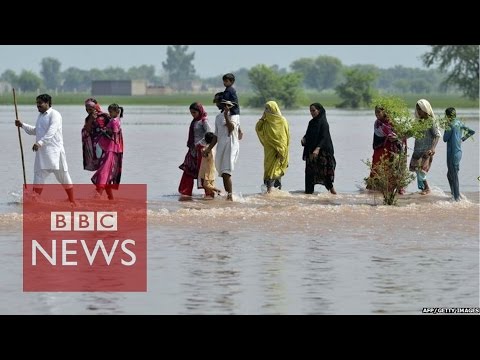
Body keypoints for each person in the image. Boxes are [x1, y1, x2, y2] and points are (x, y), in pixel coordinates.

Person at [15, 94, 76, 205]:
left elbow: (51, 132)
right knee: (38, 176)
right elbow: (36, 131)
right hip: (42, 153)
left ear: (47, 103)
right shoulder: (41, 116)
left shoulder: (55, 115)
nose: (38, 106)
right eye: (37, 103)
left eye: (40, 103)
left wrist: (40, 143)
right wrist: (22, 125)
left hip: (55, 152)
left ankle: (72, 200)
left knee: (63, 176)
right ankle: (34, 202)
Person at [203, 93, 240, 201]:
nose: (217, 105)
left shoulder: (234, 116)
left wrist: (226, 116)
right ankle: (229, 196)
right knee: (222, 172)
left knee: (226, 172)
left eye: (218, 102)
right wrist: (208, 149)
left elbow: (231, 128)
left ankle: (230, 196)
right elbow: (216, 135)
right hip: (221, 146)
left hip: (231, 145)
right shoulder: (218, 117)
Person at [367, 105, 406, 193]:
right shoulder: (377, 123)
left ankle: (393, 188)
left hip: (390, 149)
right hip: (379, 148)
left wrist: (395, 137)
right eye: (375, 112)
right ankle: (375, 187)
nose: (377, 114)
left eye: (379, 112)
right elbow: (378, 134)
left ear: (384, 112)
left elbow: (399, 134)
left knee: (391, 167)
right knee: (377, 166)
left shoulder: (392, 122)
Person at [91, 103, 124, 200]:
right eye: (109, 112)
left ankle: (98, 195)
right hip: (112, 148)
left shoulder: (114, 121)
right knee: (107, 171)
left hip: (111, 149)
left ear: (117, 112)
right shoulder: (117, 120)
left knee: (104, 171)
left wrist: (105, 132)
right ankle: (110, 197)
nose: (109, 114)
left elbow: (114, 133)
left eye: (111, 112)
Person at [301, 103, 336, 195]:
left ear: (319, 111)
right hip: (311, 151)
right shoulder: (311, 122)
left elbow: (324, 137)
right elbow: (308, 134)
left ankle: (333, 192)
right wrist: (304, 139)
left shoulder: (323, 123)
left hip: (322, 152)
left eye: (313, 110)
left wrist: (317, 149)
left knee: (324, 173)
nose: (312, 113)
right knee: (309, 173)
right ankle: (308, 193)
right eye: (310, 111)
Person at [255, 101, 290, 193]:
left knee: (275, 171)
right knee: (268, 169)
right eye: (265, 109)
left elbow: (284, 138)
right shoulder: (266, 122)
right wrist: (262, 118)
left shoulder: (282, 121)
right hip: (268, 151)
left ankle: (271, 192)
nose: (266, 111)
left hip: (278, 151)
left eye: (268, 109)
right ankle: (271, 194)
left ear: (274, 109)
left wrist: (281, 151)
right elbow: (257, 128)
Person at [178, 102, 212, 197]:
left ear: (199, 111)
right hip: (192, 151)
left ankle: (209, 193)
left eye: (194, 112)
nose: (192, 115)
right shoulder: (195, 121)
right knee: (188, 170)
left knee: (203, 173)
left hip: (201, 151)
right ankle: (185, 193)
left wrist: (200, 144)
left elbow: (210, 134)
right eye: (191, 113)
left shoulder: (204, 121)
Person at [442, 107, 475, 201]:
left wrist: (446, 127)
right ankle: (454, 194)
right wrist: (462, 139)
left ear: (447, 116)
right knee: (449, 175)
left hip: (452, 154)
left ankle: (457, 199)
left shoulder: (450, 125)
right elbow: (472, 132)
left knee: (454, 176)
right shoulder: (459, 123)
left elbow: (445, 139)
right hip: (458, 153)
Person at [409, 99, 441, 195]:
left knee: (422, 171)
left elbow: (437, 135)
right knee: (418, 171)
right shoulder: (418, 122)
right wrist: (399, 135)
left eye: (420, 109)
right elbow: (410, 132)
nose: (419, 111)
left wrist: (433, 148)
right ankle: (424, 189)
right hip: (418, 150)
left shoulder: (431, 121)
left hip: (427, 151)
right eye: (417, 109)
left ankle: (427, 189)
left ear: (426, 109)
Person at [82, 97, 109, 171]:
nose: (88, 111)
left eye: (90, 109)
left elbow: (112, 127)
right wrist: (91, 119)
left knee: (106, 162)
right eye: (87, 109)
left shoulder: (105, 116)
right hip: (95, 145)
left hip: (106, 143)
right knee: (100, 162)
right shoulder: (88, 119)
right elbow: (87, 131)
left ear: (95, 107)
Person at [199, 132, 223, 198]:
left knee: (206, 185)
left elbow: (204, 154)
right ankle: (212, 198)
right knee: (210, 184)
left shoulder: (207, 149)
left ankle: (218, 190)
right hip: (212, 169)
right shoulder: (213, 149)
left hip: (207, 170)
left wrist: (202, 150)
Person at [222, 73, 243, 140]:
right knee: (235, 123)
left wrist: (226, 103)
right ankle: (239, 131)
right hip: (232, 110)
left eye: (226, 81)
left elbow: (233, 101)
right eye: (224, 81)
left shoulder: (230, 90)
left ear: (232, 82)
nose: (224, 83)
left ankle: (231, 133)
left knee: (233, 123)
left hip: (234, 111)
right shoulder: (227, 90)